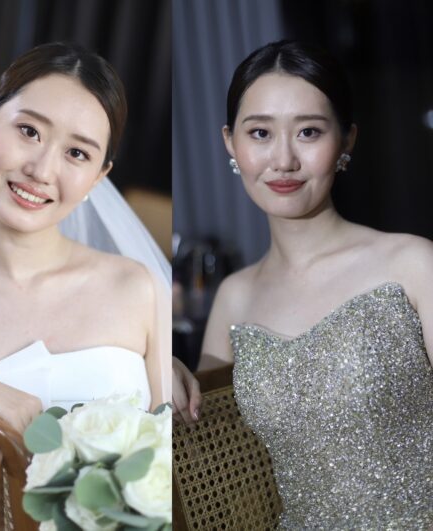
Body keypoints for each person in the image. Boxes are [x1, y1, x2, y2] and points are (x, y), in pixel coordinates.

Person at [178, 40, 433, 527]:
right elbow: (206, 460)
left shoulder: (413, 264)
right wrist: (164, 370)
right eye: (260, 133)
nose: (284, 160)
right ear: (230, 142)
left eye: (309, 132)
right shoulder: (235, 296)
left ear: (346, 140)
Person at [0, 42, 171, 434]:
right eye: (29, 131)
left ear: (98, 177)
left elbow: (173, 460)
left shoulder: (140, 289)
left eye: (76, 153)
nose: (41, 170)